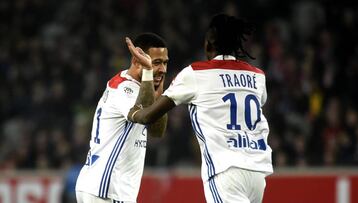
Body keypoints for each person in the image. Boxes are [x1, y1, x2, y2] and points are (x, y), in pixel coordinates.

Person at [126, 13, 273, 203]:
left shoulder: (195, 73)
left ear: (209, 42)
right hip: (257, 172)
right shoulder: (258, 76)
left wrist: (132, 113)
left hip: (225, 171)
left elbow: (148, 117)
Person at [75, 32, 169, 203]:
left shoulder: (141, 89)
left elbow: (157, 131)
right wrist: (149, 72)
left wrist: (159, 91)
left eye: (164, 63)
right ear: (136, 60)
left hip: (105, 188)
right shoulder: (125, 88)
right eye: (156, 63)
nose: (162, 69)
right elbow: (145, 117)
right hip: (107, 189)